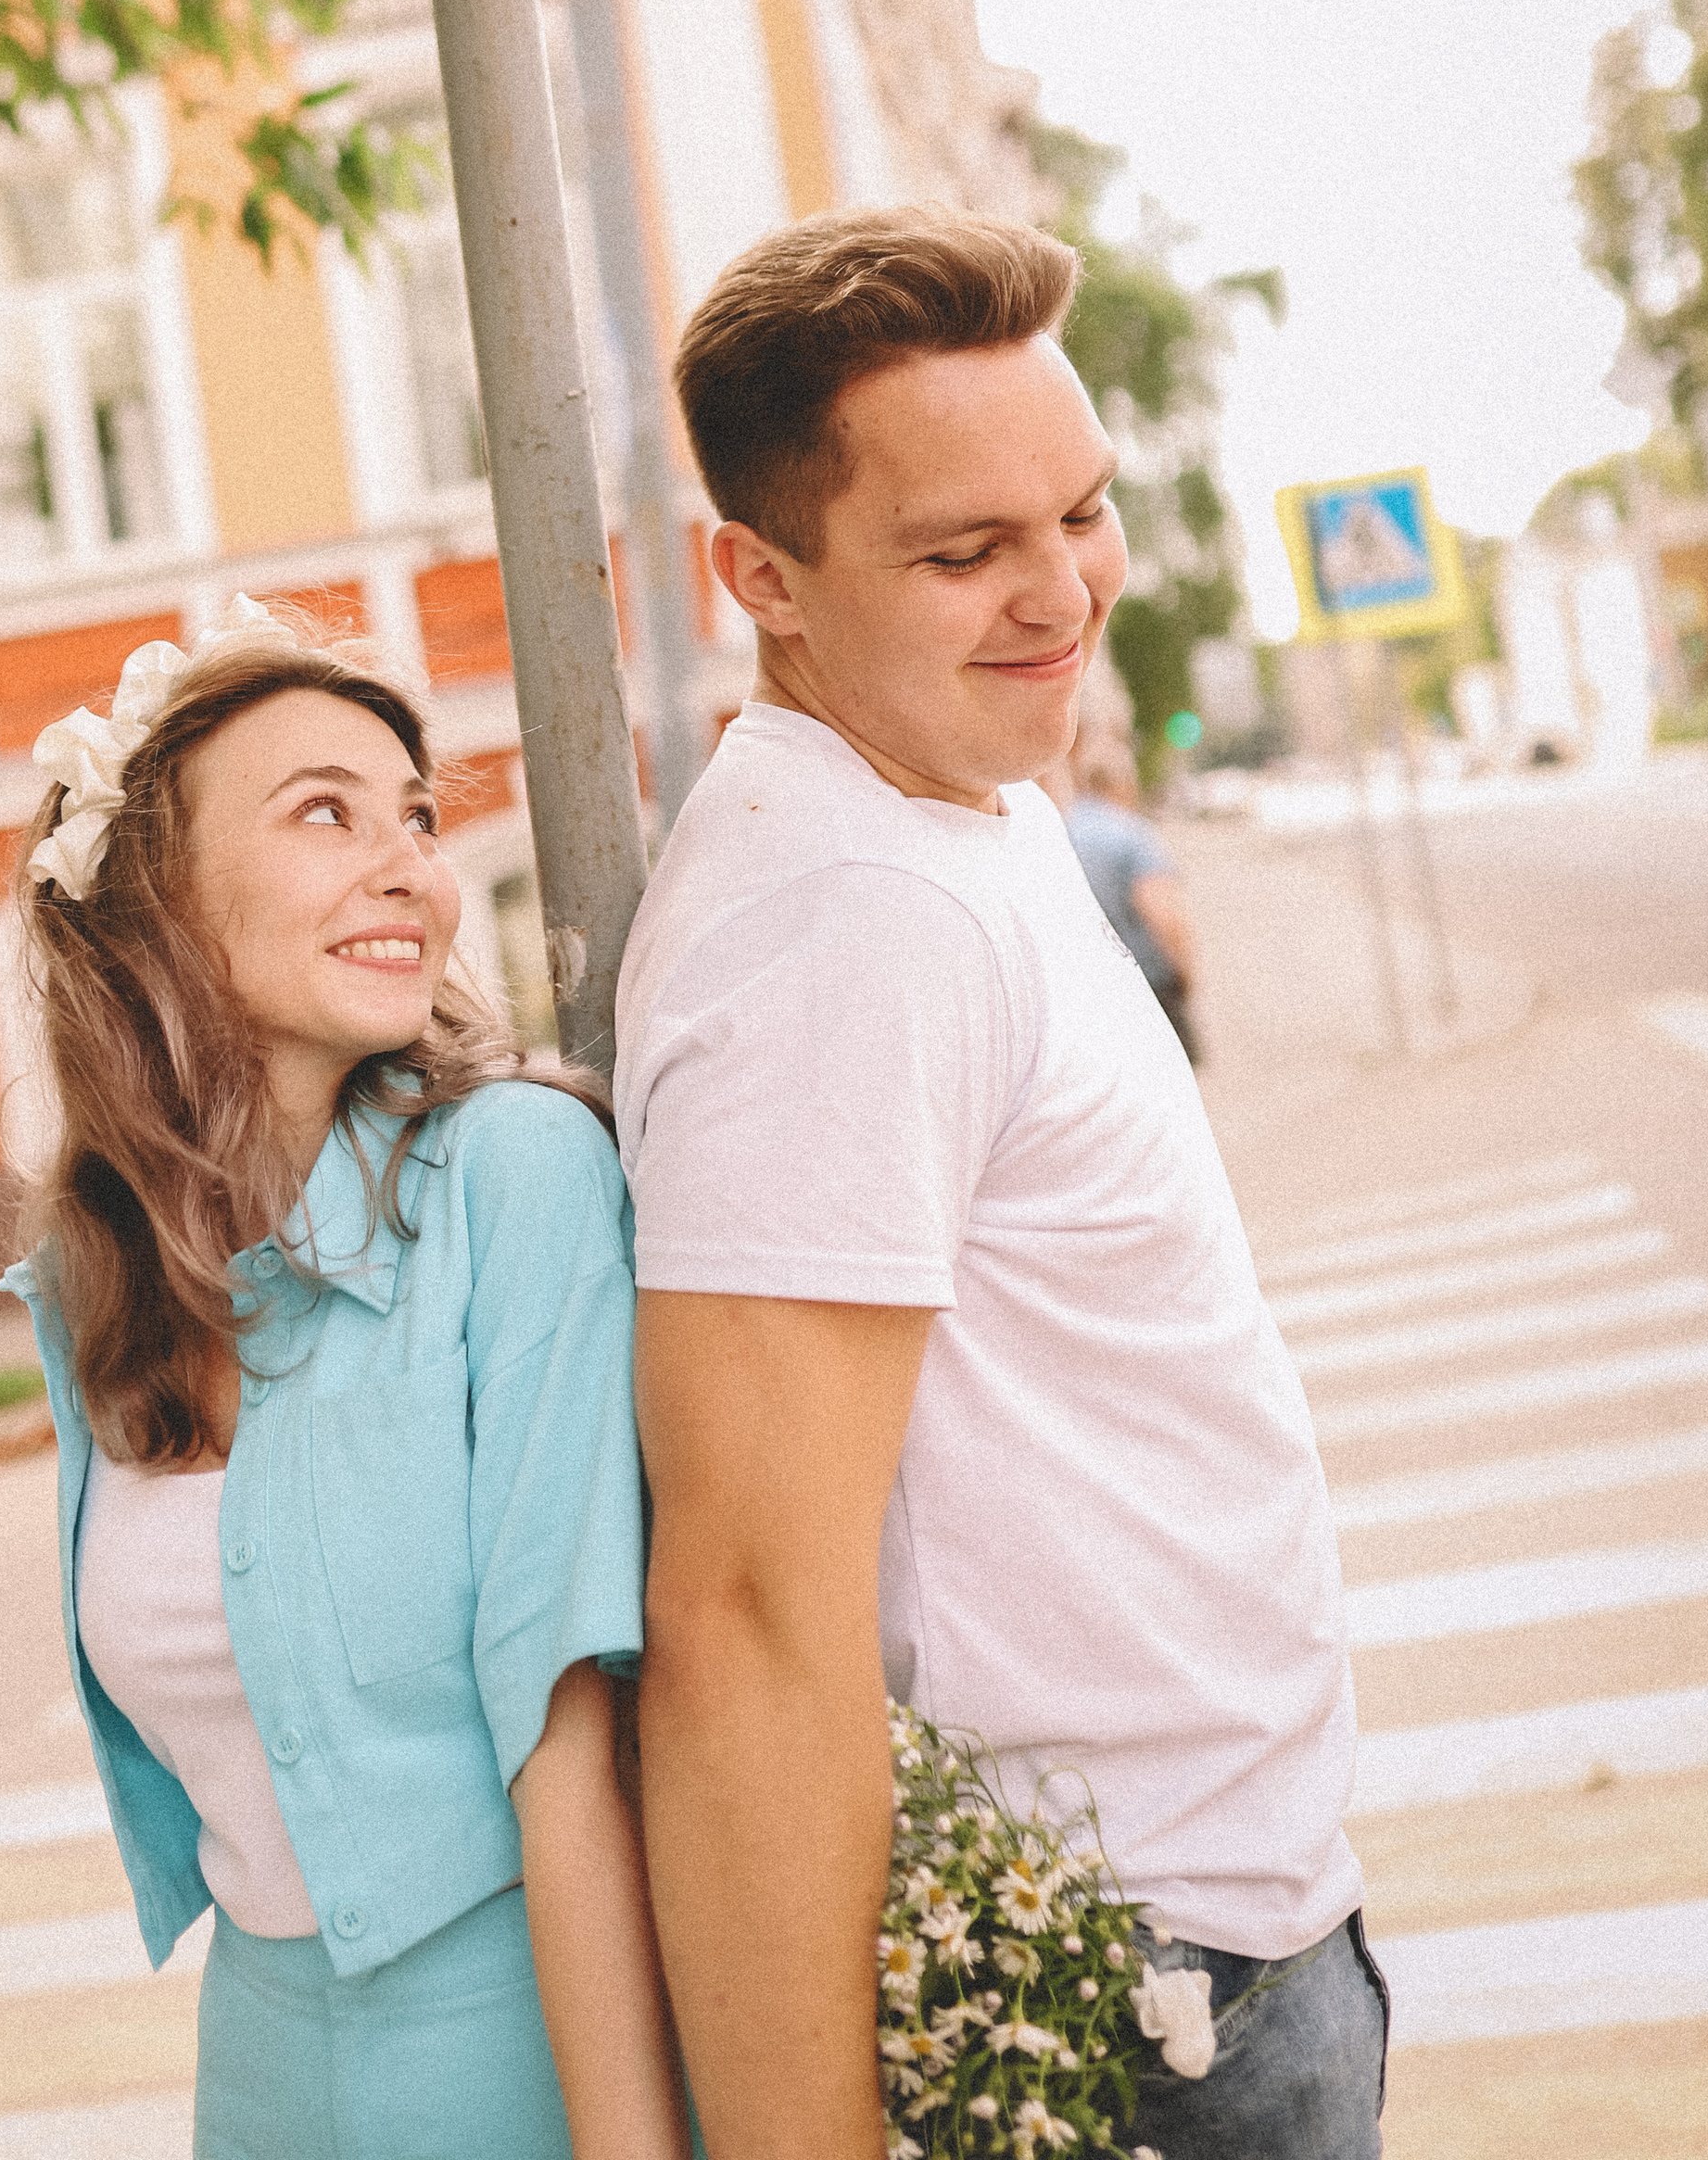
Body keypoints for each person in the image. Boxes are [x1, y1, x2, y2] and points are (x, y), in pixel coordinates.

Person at [615, 211, 1381, 2160]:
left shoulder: (955, 799)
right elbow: (745, 1618)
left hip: (1219, 1945)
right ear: (758, 577)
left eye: (1080, 513)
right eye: (961, 552)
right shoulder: (844, 922)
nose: (1058, 591)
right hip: (1135, 2012)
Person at [2, 598, 690, 2160]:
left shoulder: (514, 1180)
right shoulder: (92, 1284)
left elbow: (568, 1740)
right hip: (254, 2068)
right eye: (327, 814)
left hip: (524, 2048)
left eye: (419, 818)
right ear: (160, 902)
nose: (413, 871)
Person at [1062, 721, 1204, 1064]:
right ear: (1122, 784)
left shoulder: (1060, 832)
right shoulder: (1131, 835)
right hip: (1146, 985)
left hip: (1087, 994)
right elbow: (1164, 916)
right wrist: (1184, 973)